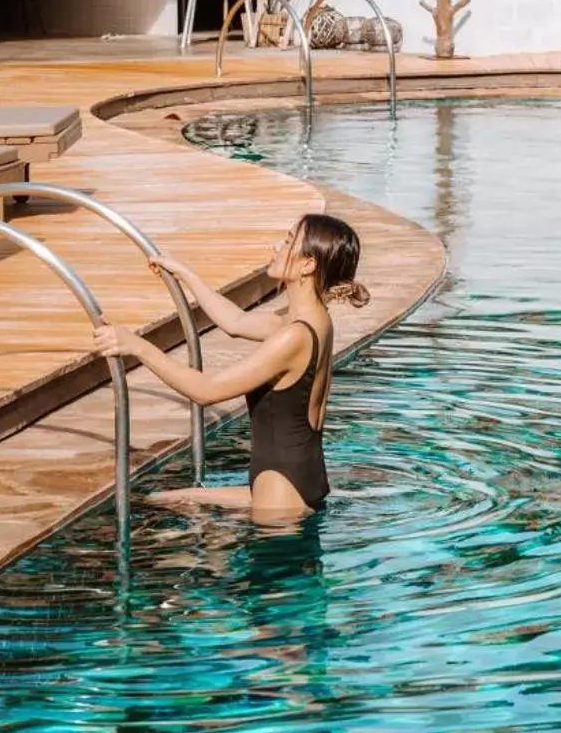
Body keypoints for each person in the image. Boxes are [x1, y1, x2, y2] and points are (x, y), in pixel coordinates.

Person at [92, 213, 370, 523]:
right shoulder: (313, 320)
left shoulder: (294, 336)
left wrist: (137, 346)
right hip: (294, 484)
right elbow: (235, 323)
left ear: (308, 264)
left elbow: (206, 392)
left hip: (280, 497)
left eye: (289, 240)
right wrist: (185, 274)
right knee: (165, 499)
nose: (277, 246)